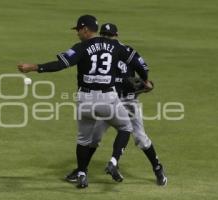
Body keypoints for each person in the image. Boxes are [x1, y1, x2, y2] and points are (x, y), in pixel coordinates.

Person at [18, 15, 134, 189]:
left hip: (85, 100)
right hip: (108, 99)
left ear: (85, 29)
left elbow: (60, 64)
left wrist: (34, 67)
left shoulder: (81, 47)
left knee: (83, 139)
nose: (77, 34)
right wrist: (144, 79)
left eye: (78, 30)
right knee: (126, 127)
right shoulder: (114, 46)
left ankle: (81, 173)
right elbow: (133, 61)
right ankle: (113, 161)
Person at [65, 23, 167, 186]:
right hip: (110, 102)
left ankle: (157, 168)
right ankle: (82, 169)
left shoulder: (123, 51)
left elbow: (141, 71)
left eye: (108, 35)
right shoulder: (110, 51)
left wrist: (144, 84)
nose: (107, 38)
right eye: (105, 35)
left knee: (140, 137)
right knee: (95, 138)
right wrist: (143, 83)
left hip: (125, 101)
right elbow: (139, 73)